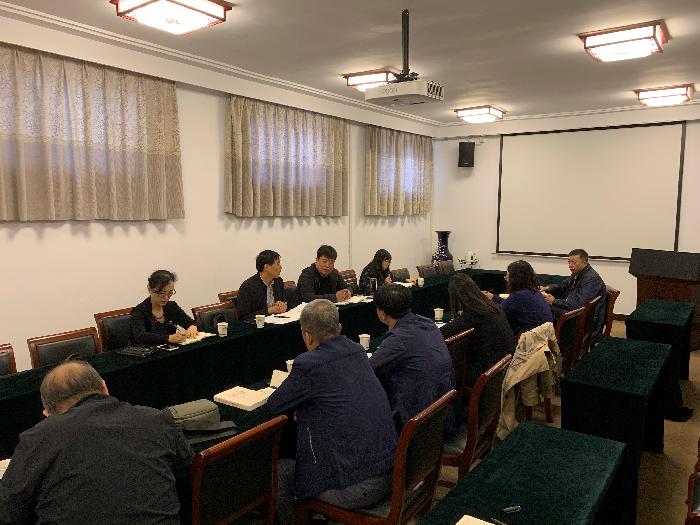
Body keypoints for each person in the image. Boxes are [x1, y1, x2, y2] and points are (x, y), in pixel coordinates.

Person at [0, 361, 193, 524]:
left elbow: (9, 511)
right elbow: (187, 467)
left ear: (48, 413)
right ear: (104, 387)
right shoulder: (155, 418)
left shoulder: (38, 437)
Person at [267, 300, 396, 525]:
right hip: (391, 470)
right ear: (339, 327)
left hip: (358, 486)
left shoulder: (308, 363)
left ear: (307, 336)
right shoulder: (357, 350)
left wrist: (301, 406)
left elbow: (275, 405)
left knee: (281, 472)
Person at [370, 284, 458, 436]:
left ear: (382, 313)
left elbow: (369, 369)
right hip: (444, 410)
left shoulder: (399, 339)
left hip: (418, 421)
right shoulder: (427, 323)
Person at [441, 274, 515, 386]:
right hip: (504, 367)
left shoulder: (474, 314)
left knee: (449, 368)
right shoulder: (492, 307)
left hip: (488, 375)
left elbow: (443, 333)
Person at [483, 260, 552, 337]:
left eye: (507, 277)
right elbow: (509, 304)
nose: (507, 280)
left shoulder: (518, 296)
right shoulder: (535, 292)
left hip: (527, 340)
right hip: (542, 339)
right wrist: (492, 297)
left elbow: (498, 314)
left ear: (514, 279)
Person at [130, 270, 198, 345]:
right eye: (161, 293)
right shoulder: (139, 311)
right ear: (150, 289)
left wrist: (192, 326)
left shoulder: (172, 307)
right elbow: (140, 336)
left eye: (170, 293)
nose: (166, 297)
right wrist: (168, 338)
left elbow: (191, 322)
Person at [540, 249, 606, 326]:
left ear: (584, 262)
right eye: (569, 262)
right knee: (543, 305)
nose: (570, 265)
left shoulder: (591, 279)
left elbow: (578, 305)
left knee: (543, 308)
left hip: (583, 319)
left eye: (574, 262)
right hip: (576, 310)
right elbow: (563, 285)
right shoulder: (579, 273)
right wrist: (547, 288)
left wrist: (554, 301)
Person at [237, 250, 288, 320]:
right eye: (278, 264)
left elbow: (284, 303)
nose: (281, 267)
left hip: (278, 321)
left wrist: (281, 305)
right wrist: (269, 310)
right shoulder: (248, 287)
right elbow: (244, 317)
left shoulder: (278, 281)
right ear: (266, 267)